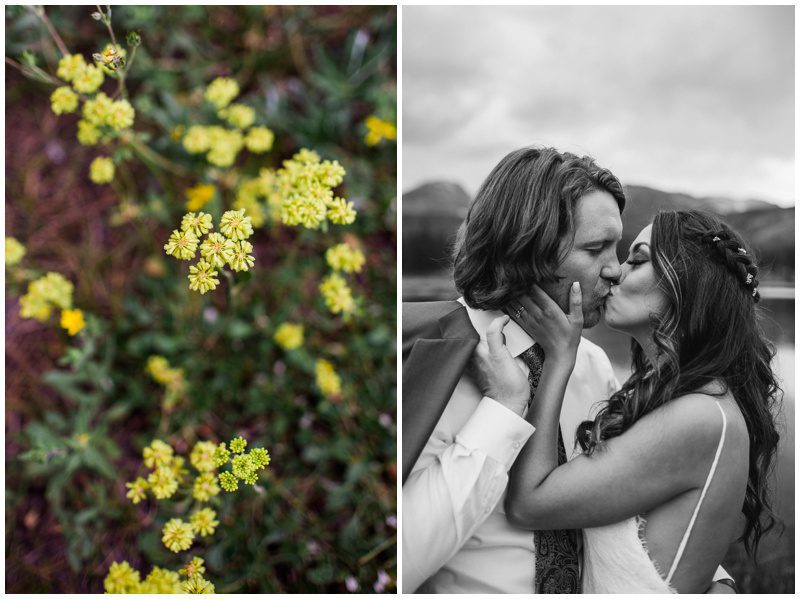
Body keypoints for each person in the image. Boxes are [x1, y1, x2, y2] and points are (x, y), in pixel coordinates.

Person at [471, 210, 781, 592]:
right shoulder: (679, 398)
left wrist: (558, 360)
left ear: (686, 283)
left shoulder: (698, 416)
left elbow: (529, 504)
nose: (615, 271)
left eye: (636, 259)